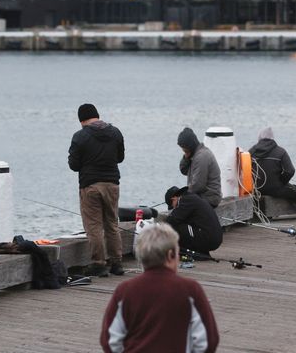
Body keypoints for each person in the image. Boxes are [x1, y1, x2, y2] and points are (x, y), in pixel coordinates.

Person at [100, 223, 219, 353]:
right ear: (170, 255)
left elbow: (110, 339)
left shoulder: (125, 291)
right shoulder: (190, 290)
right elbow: (207, 341)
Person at [68, 103, 125, 278]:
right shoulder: (115, 132)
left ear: (81, 120)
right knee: (112, 224)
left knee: (94, 226)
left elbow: (73, 165)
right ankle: (117, 263)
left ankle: (99, 264)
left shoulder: (80, 136)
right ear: (97, 115)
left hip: (90, 186)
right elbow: (120, 158)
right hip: (112, 185)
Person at [249, 127, 296, 219]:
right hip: (275, 189)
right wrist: (281, 182)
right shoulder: (280, 151)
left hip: (257, 189)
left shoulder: (251, 151)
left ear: (259, 137)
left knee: (293, 188)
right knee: (294, 189)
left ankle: (271, 214)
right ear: (272, 138)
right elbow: (290, 171)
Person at [165, 186, 223, 258]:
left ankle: (185, 251)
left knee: (175, 227)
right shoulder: (192, 198)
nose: (174, 208)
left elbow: (172, 220)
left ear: (174, 199)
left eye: (172, 206)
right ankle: (200, 251)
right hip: (214, 238)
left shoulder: (185, 200)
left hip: (209, 239)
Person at [178, 127, 222, 208]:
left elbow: (198, 185)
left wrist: (182, 196)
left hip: (210, 198)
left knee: (180, 207)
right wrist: (186, 157)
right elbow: (183, 170)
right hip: (202, 196)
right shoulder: (194, 155)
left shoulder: (201, 156)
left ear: (190, 146)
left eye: (185, 149)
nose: (183, 150)